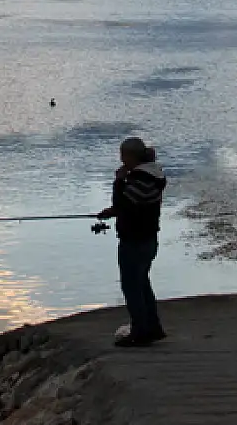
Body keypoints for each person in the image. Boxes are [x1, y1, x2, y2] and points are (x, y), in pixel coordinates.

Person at [97, 137, 167, 347]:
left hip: (135, 239)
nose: (120, 159)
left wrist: (118, 181)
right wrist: (113, 212)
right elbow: (132, 205)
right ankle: (152, 326)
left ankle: (140, 331)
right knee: (142, 283)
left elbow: (124, 203)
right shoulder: (153, 175)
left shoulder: (141, 178)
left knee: (131, 286)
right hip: (148, 238)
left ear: (130, 156)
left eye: (122, 155)